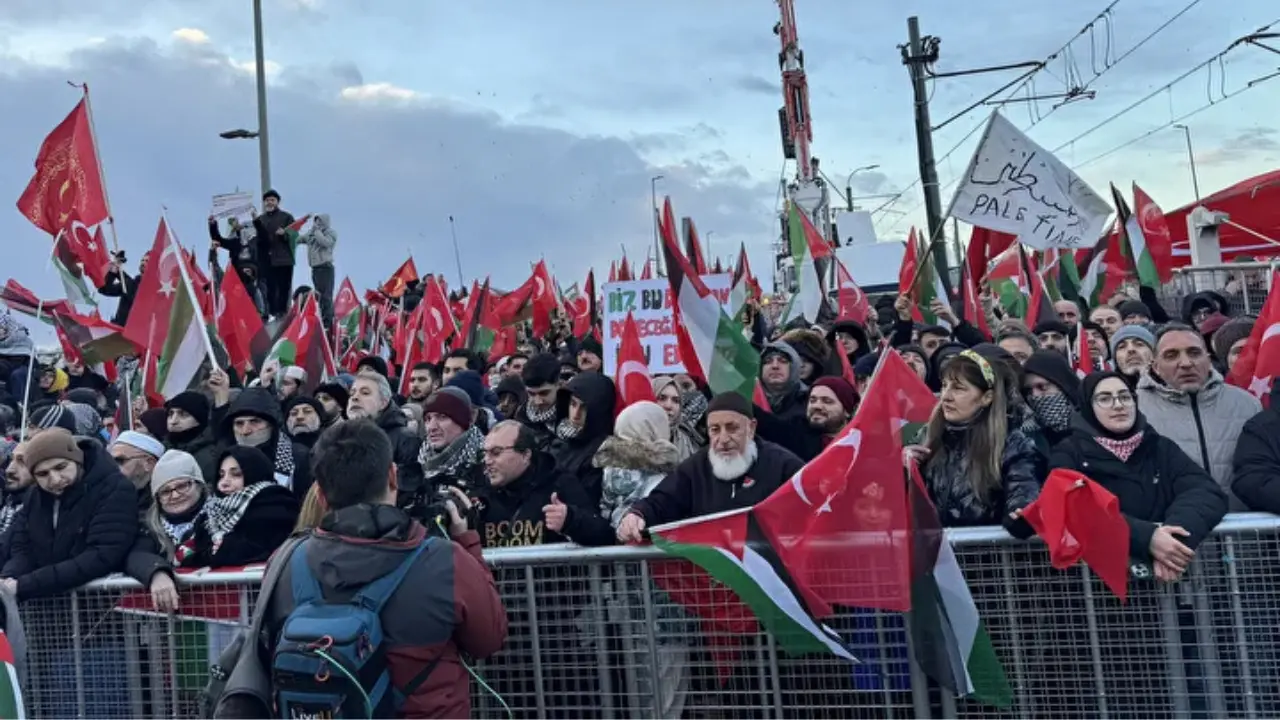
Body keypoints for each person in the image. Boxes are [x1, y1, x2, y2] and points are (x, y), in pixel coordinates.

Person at [260, 419, 508, 718]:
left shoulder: (285, 561)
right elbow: (489, 639)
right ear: (393, 476)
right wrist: (468, 543)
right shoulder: (446, 561)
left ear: (322, 496)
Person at [1050, 372, 1227, 582]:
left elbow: (1204, 492)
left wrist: (1172, 545)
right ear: (1088, 406)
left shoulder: (1158, 446)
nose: (1118, 405)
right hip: (1097, 587)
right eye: (1105, 399)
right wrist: (1146, 538)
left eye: (1125, 396)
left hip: (1163, 585)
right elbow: (1073, 506)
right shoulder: (1069, 452)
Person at [619, 392, 804, 540]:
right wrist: (637, 515)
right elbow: (662, 501)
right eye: (715, 430)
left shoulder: (781, 464)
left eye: (732, 428)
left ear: (752, 428)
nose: (723, 439)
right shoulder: (696, 467)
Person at [906, 350, 1043, 535]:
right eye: (945, 386)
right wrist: (901, 471)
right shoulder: (925, 439)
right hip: (935, 558)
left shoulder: (1012, 443)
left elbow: (1023, 485)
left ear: (986, 397)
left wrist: (1020, 513)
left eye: (958, 388)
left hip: (986, 559)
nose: (946, 396)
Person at [0, 428, 137, 600]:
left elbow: (103, 554)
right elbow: (22, 548)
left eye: (61, 467)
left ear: (77, 461)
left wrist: (27, 584)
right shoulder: (34, 497)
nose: (55, 479)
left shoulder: (114, 488)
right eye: (43, 474)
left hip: (101, 605)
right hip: (48, 607)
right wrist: (8, 579)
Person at [1135, 323, 1260, 507]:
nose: (1186, 363)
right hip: (1174, 529)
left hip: (1247, 529)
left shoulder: (1247, 404)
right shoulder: (1135, 408)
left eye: (1194, 353)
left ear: (1208, 359)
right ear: (1156, 366)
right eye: (1171, 355)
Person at [479, 420, 606, 547]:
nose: (487, 461)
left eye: (496, 452)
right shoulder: (479, 493)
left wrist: (570, 520)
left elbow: (603, 535)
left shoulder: (559, 483)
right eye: (484, 453)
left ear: (525, 455)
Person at [181, 446, 299, 568]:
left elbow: (260, 549)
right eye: (221, 475)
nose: (224, 482)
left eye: (236, 474)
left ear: (254, 474)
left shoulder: (277, 506)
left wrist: (221, 551)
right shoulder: (210, 514)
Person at [347, 372, 425, 499]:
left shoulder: (406, 439)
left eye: (365, 393)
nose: (354, 397)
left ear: (383, 402)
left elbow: (408, 488)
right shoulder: (338, 438)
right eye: (352, 393)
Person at [251, 190, 297, 318]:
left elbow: (294, 235)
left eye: (272, 200)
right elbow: (258, 238)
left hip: (283, 258)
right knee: (269, 288)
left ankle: (282, 313)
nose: (269, 202)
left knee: (283, 287)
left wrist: (285, 234)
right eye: (267, 200)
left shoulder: (286, 217)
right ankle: (272, 312)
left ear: (277, 202)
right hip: (266, 259)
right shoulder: (260, 219)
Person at [295, 213, 337, 329]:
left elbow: (325, 243)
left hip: (325, 268)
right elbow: (299, 239)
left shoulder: (330, 233)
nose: (317, 223)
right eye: (316, 221)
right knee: (319, 295)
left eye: (319, 221)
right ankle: (323, 318)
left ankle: (328, 322)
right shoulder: (311, 233)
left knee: (326, 296)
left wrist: (317, 232)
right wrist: (292, 232)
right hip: (315, 269)